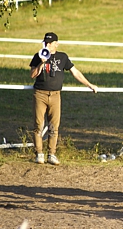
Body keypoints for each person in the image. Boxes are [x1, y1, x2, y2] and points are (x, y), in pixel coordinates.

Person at [29, 32, 98, 165]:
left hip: (55, 95)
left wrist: (89, 85)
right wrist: (41, 64)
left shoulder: (62, 57)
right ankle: (39, 153)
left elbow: (75, 72)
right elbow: (32, 75)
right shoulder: (38, 57)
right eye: (46, 43)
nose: (48, 45)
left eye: (50, 43)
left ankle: (52, 154)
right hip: (40, 94)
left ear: (56, 44)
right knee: (38, 125)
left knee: (54, 126)